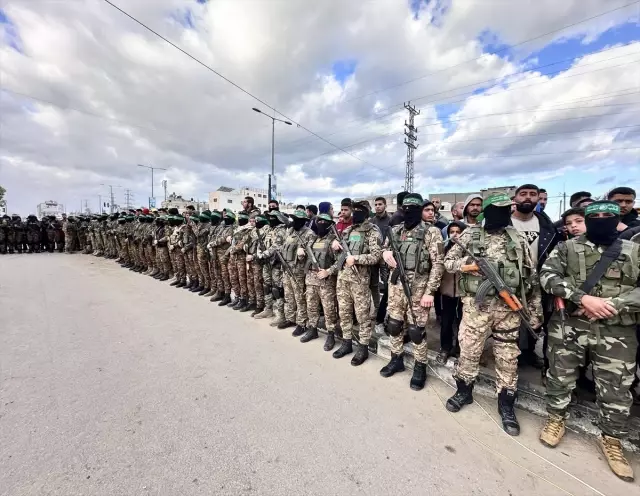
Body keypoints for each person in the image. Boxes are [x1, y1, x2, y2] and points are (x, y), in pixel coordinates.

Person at [539, 201, 639, 482]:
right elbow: (547, 276)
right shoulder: (567, 248)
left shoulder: (633, 249)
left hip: (616, 330)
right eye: (595, 216)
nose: (601, 220)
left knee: (617, 387)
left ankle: (612, 439)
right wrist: (582, 298)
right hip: (570, 325)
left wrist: (613, 303)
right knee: (560, 375)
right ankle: (556, 418)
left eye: (608, 216)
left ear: (619, 218)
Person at [444, 193, 542, 436]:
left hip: (509, 310)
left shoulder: (517, 238)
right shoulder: (469, 234)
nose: (504, 213)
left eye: (507, 209)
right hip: (476, 309)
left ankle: (506, 404)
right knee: (468, 350)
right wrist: (469, 267)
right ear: (487, 211)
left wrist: (535, 312)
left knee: (508, 357)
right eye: (498, 209)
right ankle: (463, 391)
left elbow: (531, 276)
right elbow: (447, 262)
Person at [380, 193, 444, 390]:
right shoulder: (395, 230)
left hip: (419, 288)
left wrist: (430, 292)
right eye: (405, 208)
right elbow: (383, 252)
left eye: (413, 209)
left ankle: (420, 365)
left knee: (417, 331)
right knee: (394, 324)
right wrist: (386, 253)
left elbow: (438, 264)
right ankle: (396, 358)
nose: (408, 212)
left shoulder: (431, 232)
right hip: (395, 286)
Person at [511, 184, 560, 369]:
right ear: (515, 199)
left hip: (539, 280)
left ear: (538, 199)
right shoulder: (505, 223)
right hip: (513, 280)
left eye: (533, 194)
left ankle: (528, 353)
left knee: (535, 320)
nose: (528, 198)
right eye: (523, 194)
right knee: (512, 321)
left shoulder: (546, 225)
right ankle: (511, 356)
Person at [329, 201, 382, 365]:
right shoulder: (347, 230)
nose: (357, 212)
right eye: (355, 210)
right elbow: (338, 256)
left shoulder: (372, 231)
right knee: (344, 313)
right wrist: (334, 246)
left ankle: (363, 347)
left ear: (367, 213)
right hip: (343, 278)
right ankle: (346, 343)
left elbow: (376, 256)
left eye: (361, 210)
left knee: (362, 316)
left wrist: (356, 258)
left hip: (360, 280)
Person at [303, 213, 339, 348]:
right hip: (311, 279)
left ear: (330, 224)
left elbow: (339, 261)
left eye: (325, 222)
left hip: (326, 281)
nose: (321, 224)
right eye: (319, 221)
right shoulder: (313, 239)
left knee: (329, 309)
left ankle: (331, 335)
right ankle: (313, 330)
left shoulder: (334, 241)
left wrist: (328, 271)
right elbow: (306, 258)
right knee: (311, 307)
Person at [279, 209, 317, 335]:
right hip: (286, 269)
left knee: (300, 298)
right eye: (293, 219)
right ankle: (290, 318)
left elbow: (311, 254)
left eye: (297, 220)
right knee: (289, 296)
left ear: (303, 221)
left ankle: (302, 323)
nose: (295, 222)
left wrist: (303, 253)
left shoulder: (309, 234)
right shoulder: (290, 231)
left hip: (298, 271)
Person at [437, 221, 466, 364]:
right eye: (452, 231)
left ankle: (461, 350)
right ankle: (445, 348)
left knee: (463, 322)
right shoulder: (443, 249)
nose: (455, 234)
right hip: (447, 292)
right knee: (446, 321)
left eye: (458, 232)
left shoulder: (468, 250)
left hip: (464, 293)